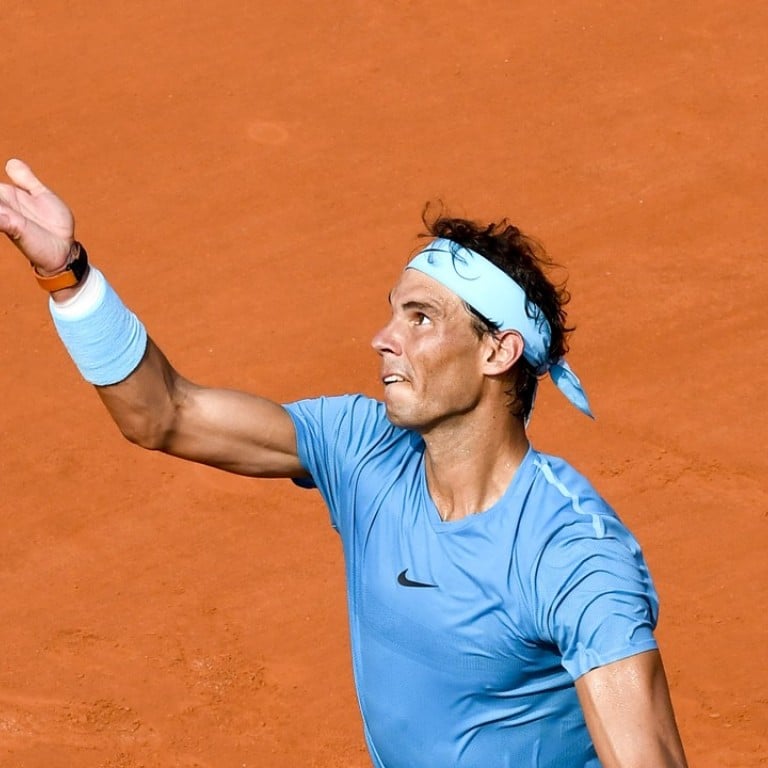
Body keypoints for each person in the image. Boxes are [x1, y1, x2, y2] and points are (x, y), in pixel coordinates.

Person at [0, 158, 688, 768]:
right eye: (394, 314)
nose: (384, 338)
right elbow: (164, 414)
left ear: (497, 353)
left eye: (420, 318)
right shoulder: (362, 450)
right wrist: (67, 275)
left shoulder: (570, 555)